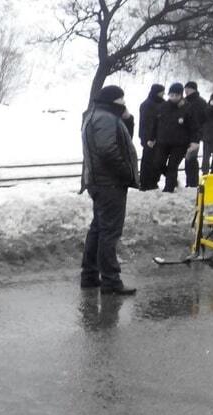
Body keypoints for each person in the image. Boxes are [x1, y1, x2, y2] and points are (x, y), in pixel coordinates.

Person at [80, 85, 139, 296]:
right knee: (109, 233)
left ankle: (89, 276)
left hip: (99, 182)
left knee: (98, 229)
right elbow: (108, 150)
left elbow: (123, 140)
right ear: (114, 101)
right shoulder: (105, 119)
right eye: (122, 100)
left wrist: (128, 119)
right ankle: (111, 281)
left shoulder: (95, 115)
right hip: (109, 184)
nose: (124, 104)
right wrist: (125, 173)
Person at [149, 83, 197, 193]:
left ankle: (169, 189)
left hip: (180, 143)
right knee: (158, 163)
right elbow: (155, 123)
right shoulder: (162, 107)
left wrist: (194, 141)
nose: (173, 98)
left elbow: (194, 126)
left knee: (172, 165)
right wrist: (151, 138)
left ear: (181, 95)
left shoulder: (187, 108)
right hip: (163, 141)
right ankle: (173, 179)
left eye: (176, 95)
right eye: (171, 95)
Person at [138, 84, 165, 191]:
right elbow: (146, 123)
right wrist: (148, 138)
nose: (163, 94)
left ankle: (154, 182)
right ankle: (145, 183)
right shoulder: (147, 105)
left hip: (160, 137)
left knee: (157, 161)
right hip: (149, 138)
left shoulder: (162, 103)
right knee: (148, 161)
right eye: (161, 92)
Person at [183, 81, 209, 187]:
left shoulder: (198, 102)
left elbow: (205, 118)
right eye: (185, 89)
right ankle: (191, 182)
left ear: (194, 89)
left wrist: (200, 132)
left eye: (188, 89)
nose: (186, 91)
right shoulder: (188, 101)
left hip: (194, 134)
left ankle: (192, 182)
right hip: (188, 134)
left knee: (191, 159)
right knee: (189, 159)